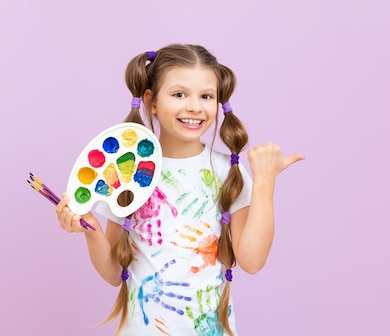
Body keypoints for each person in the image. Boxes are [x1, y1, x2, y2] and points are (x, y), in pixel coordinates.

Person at [55, 43, 304, 335]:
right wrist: (91, 229)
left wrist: (264, 182)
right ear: (152, 101)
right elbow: (113, 273)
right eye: (179, 94)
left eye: (206, 96)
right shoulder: (129, 169)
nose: (195, 106)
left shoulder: (228, 171)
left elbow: (251, 261)